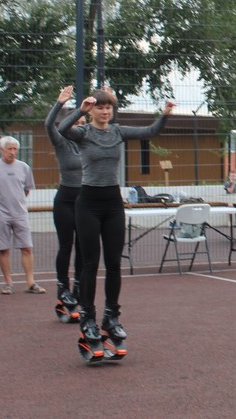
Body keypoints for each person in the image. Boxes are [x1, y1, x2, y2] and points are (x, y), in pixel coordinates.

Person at [59, 88, 174, 354]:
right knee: (90, 264)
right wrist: (79, 110)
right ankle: (88, 319)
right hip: (88, 203)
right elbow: (62, 129)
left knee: (113, 264)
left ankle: (111, 316)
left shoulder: (118, 132)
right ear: (92, 110)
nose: (105, 111)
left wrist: (165, 114)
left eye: (108, 107)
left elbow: (151, 131)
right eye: (100, 107)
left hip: (112, 203)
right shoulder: (83, 133)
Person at [0, 136, 41, 294]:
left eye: (15, 149)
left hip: (20, 214)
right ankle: (8, 282)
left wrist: (18, 203)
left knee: (27, 247)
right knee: (3, 249)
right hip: (1, 215)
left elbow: (26, 189)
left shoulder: (24, 167)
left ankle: (30, 282)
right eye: (9, 149)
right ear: (1, 149)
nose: (12, 152)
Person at [46, 86, 84, 314]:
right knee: (66, 245)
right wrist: (60, 103)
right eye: (77, 122)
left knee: (83, 246)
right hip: (65, 200)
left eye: (83, 123)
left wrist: (111, 101)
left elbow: (110, 129)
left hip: (84, 200)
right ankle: (63, 287)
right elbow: (48, 125)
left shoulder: (89, 142)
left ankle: (78, 286)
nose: (80, 126)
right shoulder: (61, 142)